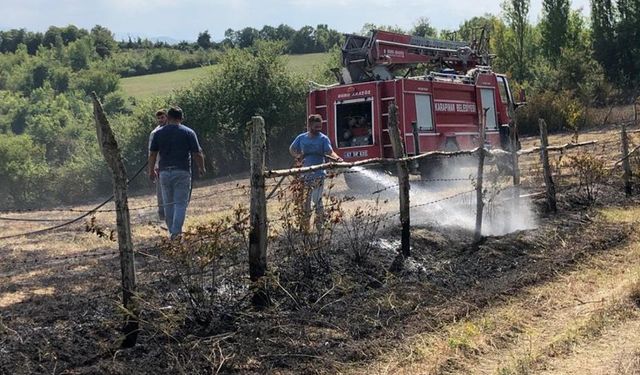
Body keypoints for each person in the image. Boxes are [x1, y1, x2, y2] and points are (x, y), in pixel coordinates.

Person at [148, 107, 205, 240]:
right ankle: (175, 233)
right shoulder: (188, 132)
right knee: (180, 203)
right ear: (181, 118)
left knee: (168, 203)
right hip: (182, 171)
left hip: (164, 173)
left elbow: (152, 154)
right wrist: (202, 167)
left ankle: (172, 232)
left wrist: (151, 170)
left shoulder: (158, 133)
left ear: (167, 117)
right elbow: (197, 153)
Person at [289, 114, 343, 231]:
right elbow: (292, 149)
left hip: (319, 174)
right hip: (304, 175)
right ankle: (306, 228)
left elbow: (330, 152)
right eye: (316, 126)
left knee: (316, 200)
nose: (318, 129)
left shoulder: (323, 139)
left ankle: (320, 226)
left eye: (320, 126)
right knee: (305, 202)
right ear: (309, 126)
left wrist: (337, 158)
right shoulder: (301, 138)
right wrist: (297, 156)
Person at [149, 109, 167, 220]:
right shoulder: (154, 133)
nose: (160, 120)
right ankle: (162, 214)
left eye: (162, 117)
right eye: (159, 118)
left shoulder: (173, 129)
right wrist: (153, 167)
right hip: (159, 165)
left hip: (171, 163)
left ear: (167, 117)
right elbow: (151, 152)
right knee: (161, 192)